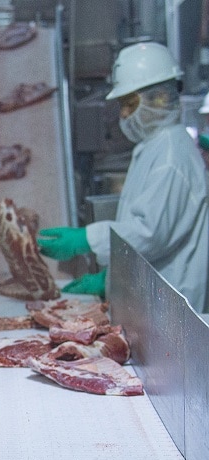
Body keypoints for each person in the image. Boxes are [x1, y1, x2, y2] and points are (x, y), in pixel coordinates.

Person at [37, 42, 209, 311]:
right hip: (154, 295)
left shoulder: (171, 156)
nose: (124, 114)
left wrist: (86, 240)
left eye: (130, 104)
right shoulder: (155, 146)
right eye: (122, 105)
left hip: (170, 307)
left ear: (160, 98)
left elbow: (149, 233)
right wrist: (109, 279)